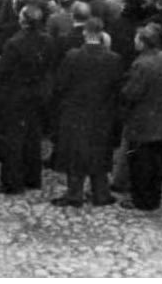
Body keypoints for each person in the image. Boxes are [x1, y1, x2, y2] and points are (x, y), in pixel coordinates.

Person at [51, 18, 122, 207]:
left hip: (76, 112)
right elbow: (117, 88)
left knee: (75, 153)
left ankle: (74, 194)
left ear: (85, 32)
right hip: (102, 112)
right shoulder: (113, 59)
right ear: (101, 34)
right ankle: (101, 193)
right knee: (99, 151)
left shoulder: (73, 56)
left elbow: (61, 84)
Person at [0, 4, 54, 195]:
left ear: (23, 21)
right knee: (33, 137)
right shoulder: (48, 41)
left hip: (16, 94)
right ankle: (32, 178)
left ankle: (12, 181)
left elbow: (2, 71)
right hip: (37, 93)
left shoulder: (14, 43)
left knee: (14, 139)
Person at [119, 23, 162, 210]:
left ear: (143, 42)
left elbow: (132, 92)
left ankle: (140, 199)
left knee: (140, 162)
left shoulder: (141, 63)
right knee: (154, 161)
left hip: (142, 118)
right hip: (161, 115)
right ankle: (152, 198)